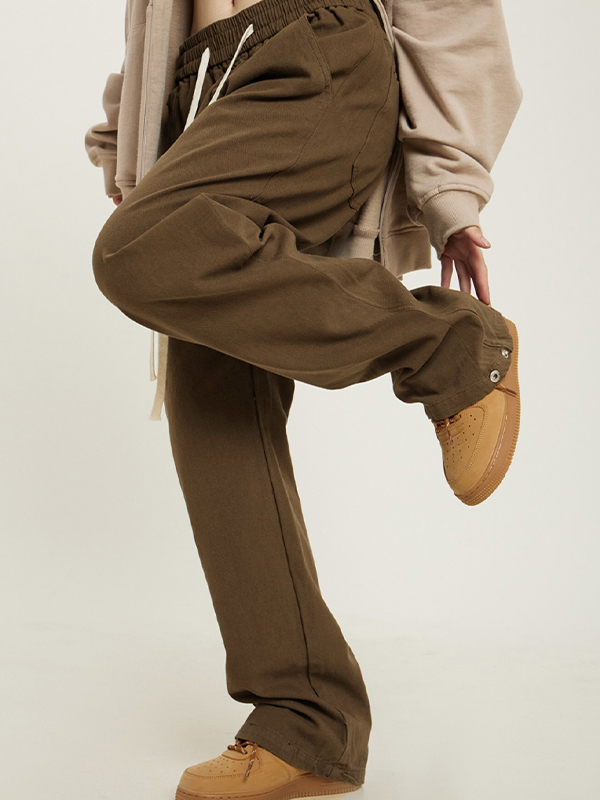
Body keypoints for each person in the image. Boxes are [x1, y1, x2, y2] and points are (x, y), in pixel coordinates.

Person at [85, 0, 523, 796]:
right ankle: (308, 723)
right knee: (216, 408)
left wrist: (452, 184)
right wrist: (133, 144)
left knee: (132, 255)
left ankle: (446, 344)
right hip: (200, 95)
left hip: (311, 50)